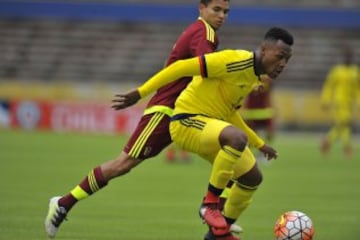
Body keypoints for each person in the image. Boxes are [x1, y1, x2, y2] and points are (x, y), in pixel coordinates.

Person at [44, 0, 231, 238]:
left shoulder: (202, 33)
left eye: (226, 11)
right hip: (166, 111)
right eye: (217, 9)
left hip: (185, 113)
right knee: (123, 164)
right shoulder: (203, 33)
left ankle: (219, 218)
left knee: (228, 156)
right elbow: (208, 70)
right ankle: (63, 203)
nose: (222, 15)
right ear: (201, 8)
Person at [112, 27, 294, 240]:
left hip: (210, 125)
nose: (283, 64)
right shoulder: (234, 60)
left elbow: (229, 113)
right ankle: (209, 205)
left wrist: (260, 144)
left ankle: (217, 234)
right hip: (186, 120)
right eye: (280, 57)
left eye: (287, 60)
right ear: (264, 49)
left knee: (252, 177)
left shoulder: (253, 77)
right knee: (235, 139)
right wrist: (140, 92)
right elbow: (180, 67)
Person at [320, 45, 359, 158]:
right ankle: (346, 147)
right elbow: (329, 86)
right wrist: (326, 99)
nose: (348, 59)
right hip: (338, 101)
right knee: (345, 123)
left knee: (343, 125)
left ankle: (328, 141)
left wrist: (358, 101)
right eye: (346, 57)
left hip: (349, 103)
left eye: (350, 57)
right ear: (343, 58)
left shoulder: (355, 71)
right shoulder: (337, 71)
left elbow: (357, 88)